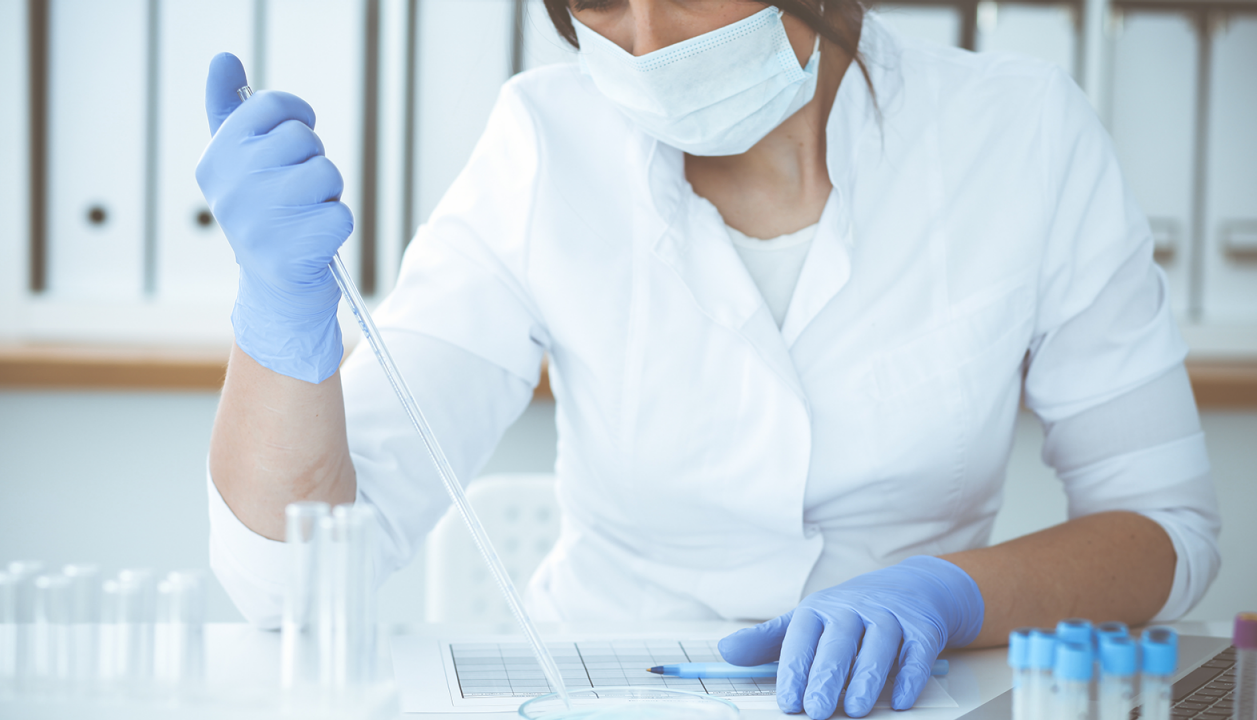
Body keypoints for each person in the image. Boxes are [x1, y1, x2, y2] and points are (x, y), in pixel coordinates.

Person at [195, 1, 1221, 717]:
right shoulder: (543, 144)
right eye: (601, 1)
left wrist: (948, 594)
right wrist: (277, 321)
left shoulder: (1022, 133)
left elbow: (1164, 528)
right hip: (605, 689)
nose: (645, 46)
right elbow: (292, 583)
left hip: (901, 698)